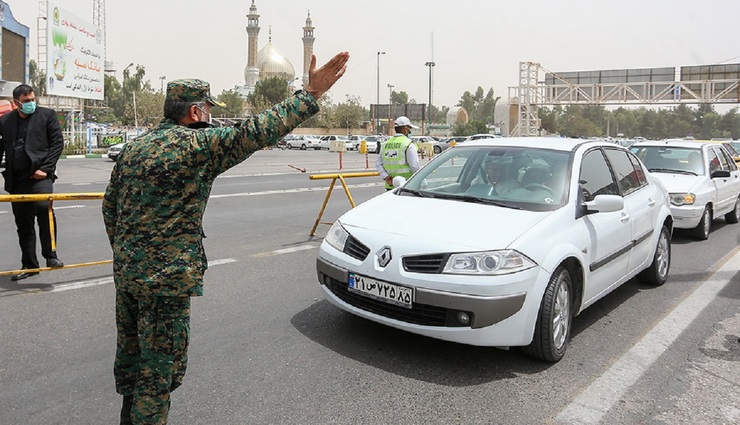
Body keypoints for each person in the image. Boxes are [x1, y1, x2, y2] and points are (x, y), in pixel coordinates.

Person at [102, 51, 349, 425]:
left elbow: (109, 208)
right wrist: (310, 94)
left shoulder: (136, 147)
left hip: (128, 276)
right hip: (165, 282)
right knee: (158, 374)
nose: (211, 116)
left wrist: (129, 254)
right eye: (207, 109)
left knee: (134, 365)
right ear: (195, 112)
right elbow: (255, 132)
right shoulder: (196, 146)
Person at [0, 84, 65, 281]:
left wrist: (44, 169)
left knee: (43, 207)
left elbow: (57, 143)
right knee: (23, 223)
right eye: (26, 101)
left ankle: (51, 256)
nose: (31, 104)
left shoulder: (47, 115)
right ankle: (29, 265)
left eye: (32, 99)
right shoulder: (5, 120)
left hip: (40, 177)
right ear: (16, 102)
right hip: (17, 179)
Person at [375, 116, 421, 190]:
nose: (410, 132)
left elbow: (378, 163)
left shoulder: (385, 144)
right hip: (406, 186)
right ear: (405, 128)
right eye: (410, 129)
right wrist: (421, 180)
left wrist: (386, 176)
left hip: (390, 187)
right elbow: (414, 166)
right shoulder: (408, 144)